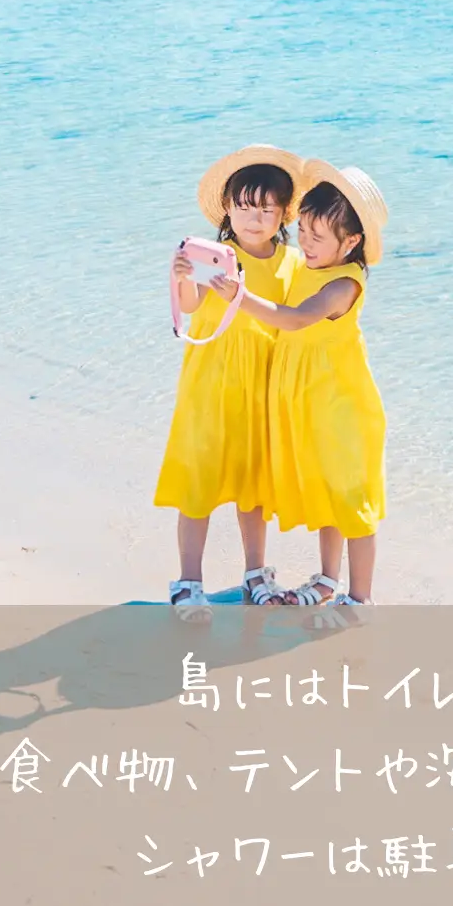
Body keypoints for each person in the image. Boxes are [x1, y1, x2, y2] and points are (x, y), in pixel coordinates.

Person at [154, 144, 305, 622]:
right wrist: (181, 277)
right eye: (244, 206)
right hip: (211, 383)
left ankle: (255, 573)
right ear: (228, 209)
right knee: (199, 479)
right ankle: (188, 581)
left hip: (261, 383)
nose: (254, 218)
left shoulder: (293, 262)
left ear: (283, 214)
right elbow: (192, 307)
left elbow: (291, 322)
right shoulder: (216, 255)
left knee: (254, 485)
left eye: (266, 209)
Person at [237, 161, 388, 607]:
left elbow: (298, 318)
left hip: (342, 407)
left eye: (317, 237)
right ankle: (327, 579)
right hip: (312, 404)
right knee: (329, 495)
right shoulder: (310, 264)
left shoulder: (343, 283)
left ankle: (359, 599)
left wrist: (239, 297)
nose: (305, 243)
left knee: (351, 503)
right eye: (301, 231)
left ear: (352, 241)